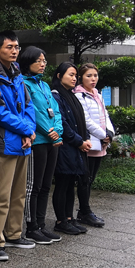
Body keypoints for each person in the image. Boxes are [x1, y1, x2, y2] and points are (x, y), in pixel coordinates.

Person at [0, 30, 37, 262]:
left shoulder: (17, 74)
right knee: (0, 194)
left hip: (23, 142)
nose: (15, 51)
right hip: (5, 142)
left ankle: (14, 234)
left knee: (19, 193)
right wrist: (26, 129)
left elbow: (28, 105)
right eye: (9, 47)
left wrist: (30, 131)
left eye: (17, 47)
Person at [19, 46, 63, 245]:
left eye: (44, 60)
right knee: (34, 186)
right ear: (28, 62)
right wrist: (49, 131)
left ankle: (41, 224)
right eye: (39, 60)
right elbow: (33, 112)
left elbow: (56, 110)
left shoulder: (44, 86)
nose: (43, 64)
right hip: (38, 141)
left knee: (46, 185)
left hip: (52, 141)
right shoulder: (24, 84)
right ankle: (31, 227)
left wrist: (58, 131)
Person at [51, 63, 92, 235]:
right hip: (65, 146)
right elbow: (64, 125)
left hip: (74, 147)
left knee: (70, 185)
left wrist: (85, 139)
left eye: (75, 75)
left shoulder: (70, 95)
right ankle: (61, 220)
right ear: (59, 76)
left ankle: (69, 218)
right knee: (62, 184)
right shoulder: (56, 95)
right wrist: (79, 141)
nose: (74, 78)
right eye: (71, 75)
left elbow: (78, 121)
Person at [74, 63, 114, 228]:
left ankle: (85, 212)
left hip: (101, 144)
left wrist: (110, 134)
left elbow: (105, 114)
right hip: (90, 143)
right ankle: (85, 212)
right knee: (85, 180)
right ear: (81, 78)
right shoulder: (79, 95)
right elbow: (86, 120)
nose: (93, 79)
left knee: (91, 180)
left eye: (95, 76)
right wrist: (102, 135)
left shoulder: (97, 94)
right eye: (89, 76)